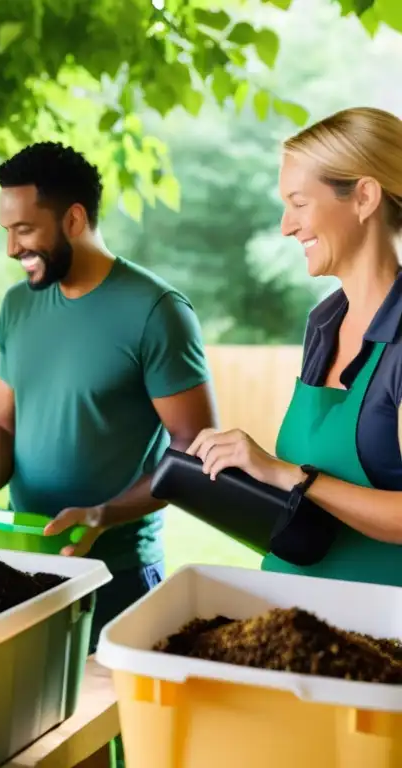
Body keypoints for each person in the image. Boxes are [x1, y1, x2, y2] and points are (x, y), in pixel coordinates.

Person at [0, 142, 218, 648]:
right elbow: (1, 424)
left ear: (74, 219)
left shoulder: (157, 311)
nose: (12, 249)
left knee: (121, 724)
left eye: (24, 230)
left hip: (119, 575)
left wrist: (102, 515)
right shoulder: (18, 305)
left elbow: (193, 451)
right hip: (25, 566)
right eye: (7, 232)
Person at [188, 107, 402, 586]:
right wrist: (252, 478)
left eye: (299, 203)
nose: (287, 226)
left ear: (364, 196)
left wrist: (287, 474)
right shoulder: (324, 323)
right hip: (292, 618)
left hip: (382, 638)